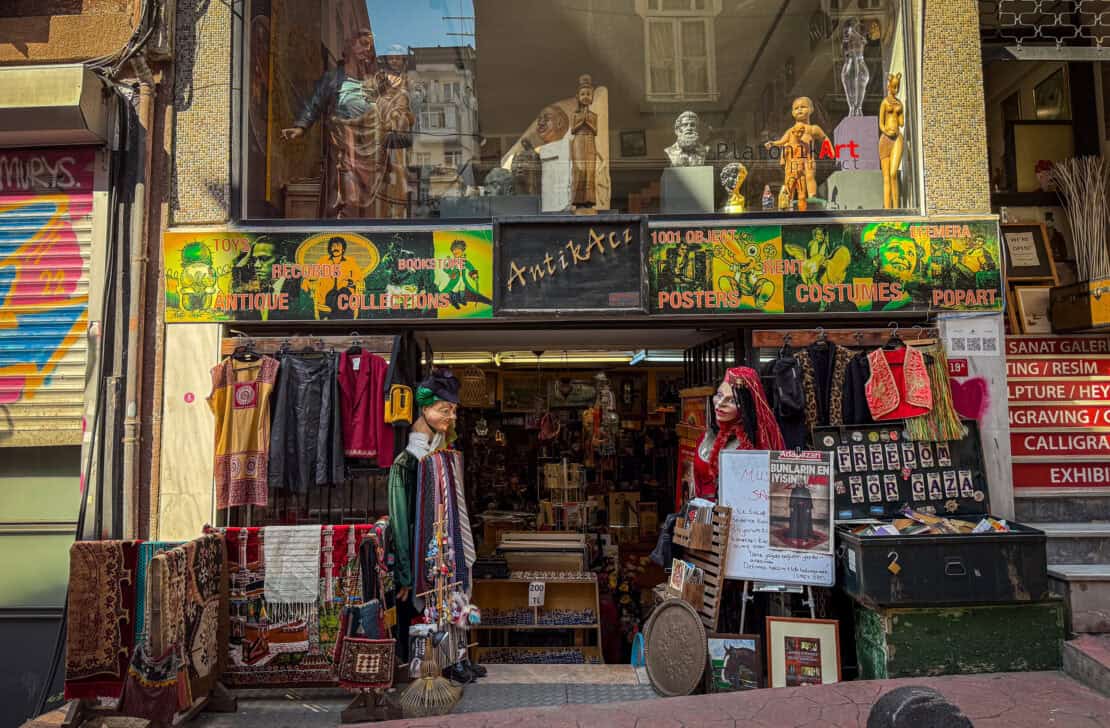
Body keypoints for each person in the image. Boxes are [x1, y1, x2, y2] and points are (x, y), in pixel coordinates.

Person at [282, 28, 412, 219]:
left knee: (371, 200)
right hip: (344, 146)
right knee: (344, 193)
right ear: (349, 46)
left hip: (372, 151)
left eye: (371, 48)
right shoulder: (333, 78)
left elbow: (394, 109)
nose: (367, 50)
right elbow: (315, 103)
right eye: (363, 44)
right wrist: (300, 127)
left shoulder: (376, 82)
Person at [691, 368, 784, 500]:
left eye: (732, 400)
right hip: (704, 515)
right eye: (719, 395)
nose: (720, 404)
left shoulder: (756, 444)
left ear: (747, 405)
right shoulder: (705, 437)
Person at [231, 237, 311, 320]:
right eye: (255, 260)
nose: (256, 265)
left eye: (264, 259)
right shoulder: (257, 287)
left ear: (282, 261)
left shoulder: (299, 287)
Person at [305, 236, 363, 320]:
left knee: (343, 292)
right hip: (328, 293)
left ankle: (333, 320)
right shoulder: (323, 260)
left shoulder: (350, 261)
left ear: (343, 249)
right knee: (334, 296)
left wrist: (349, 282)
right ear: (330, 248)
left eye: (338, 246)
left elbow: (359, 278)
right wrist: (309, 284)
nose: (335, 248)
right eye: (333, 246)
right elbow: (312, 274)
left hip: (345, 293)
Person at [570, 74, 599, 209]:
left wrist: (588, 120)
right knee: (580, 169)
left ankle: (589, 201)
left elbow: (595, 130)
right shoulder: (575, 114)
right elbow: (573, 129)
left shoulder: (594, 115)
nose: (586, 96)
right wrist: (583, 119)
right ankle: (578, 200)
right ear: (578, 97)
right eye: (583, 94)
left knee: (590, 171)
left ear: (592, 97)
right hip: (579, 142)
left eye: (588, 94)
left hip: (590, 142)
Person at [879, 73, 906, 209]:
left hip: (897, 138)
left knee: (893, 173)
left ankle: (896, 207)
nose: (895, 89)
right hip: (885, 139)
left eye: (897, 87)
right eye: (893, 87)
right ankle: (888, 208)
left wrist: (901, 113)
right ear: (889, 86)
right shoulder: (885, 102)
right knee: (886, 178)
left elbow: (901, 123)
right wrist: (886, 131)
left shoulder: (899, 103)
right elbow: (881, 123)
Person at [441, 239, 493, 308]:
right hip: (454, 280)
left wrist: (474, 274)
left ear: (462, 251)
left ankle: (462, 299)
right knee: (454, 290)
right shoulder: (452, 261)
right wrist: (450, 273)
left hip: (463, 279)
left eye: (457, 249)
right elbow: (445, 268)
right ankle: (454, 301)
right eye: (454, 250)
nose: (455, 251)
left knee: (462, 289)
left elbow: (470, 267)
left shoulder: (465, 261)